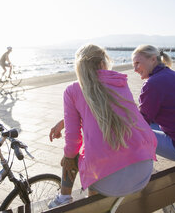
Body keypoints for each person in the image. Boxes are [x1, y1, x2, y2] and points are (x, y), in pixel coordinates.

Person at [48, 44, 157, 208]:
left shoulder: (73, 90)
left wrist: (68, 155)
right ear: (102, 63)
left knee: (72, 154)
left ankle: (63, 197)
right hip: (143, 169)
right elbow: (104, 105)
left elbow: (72, 141)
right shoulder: (119, 81)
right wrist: (62, 122)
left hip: (109, 182)